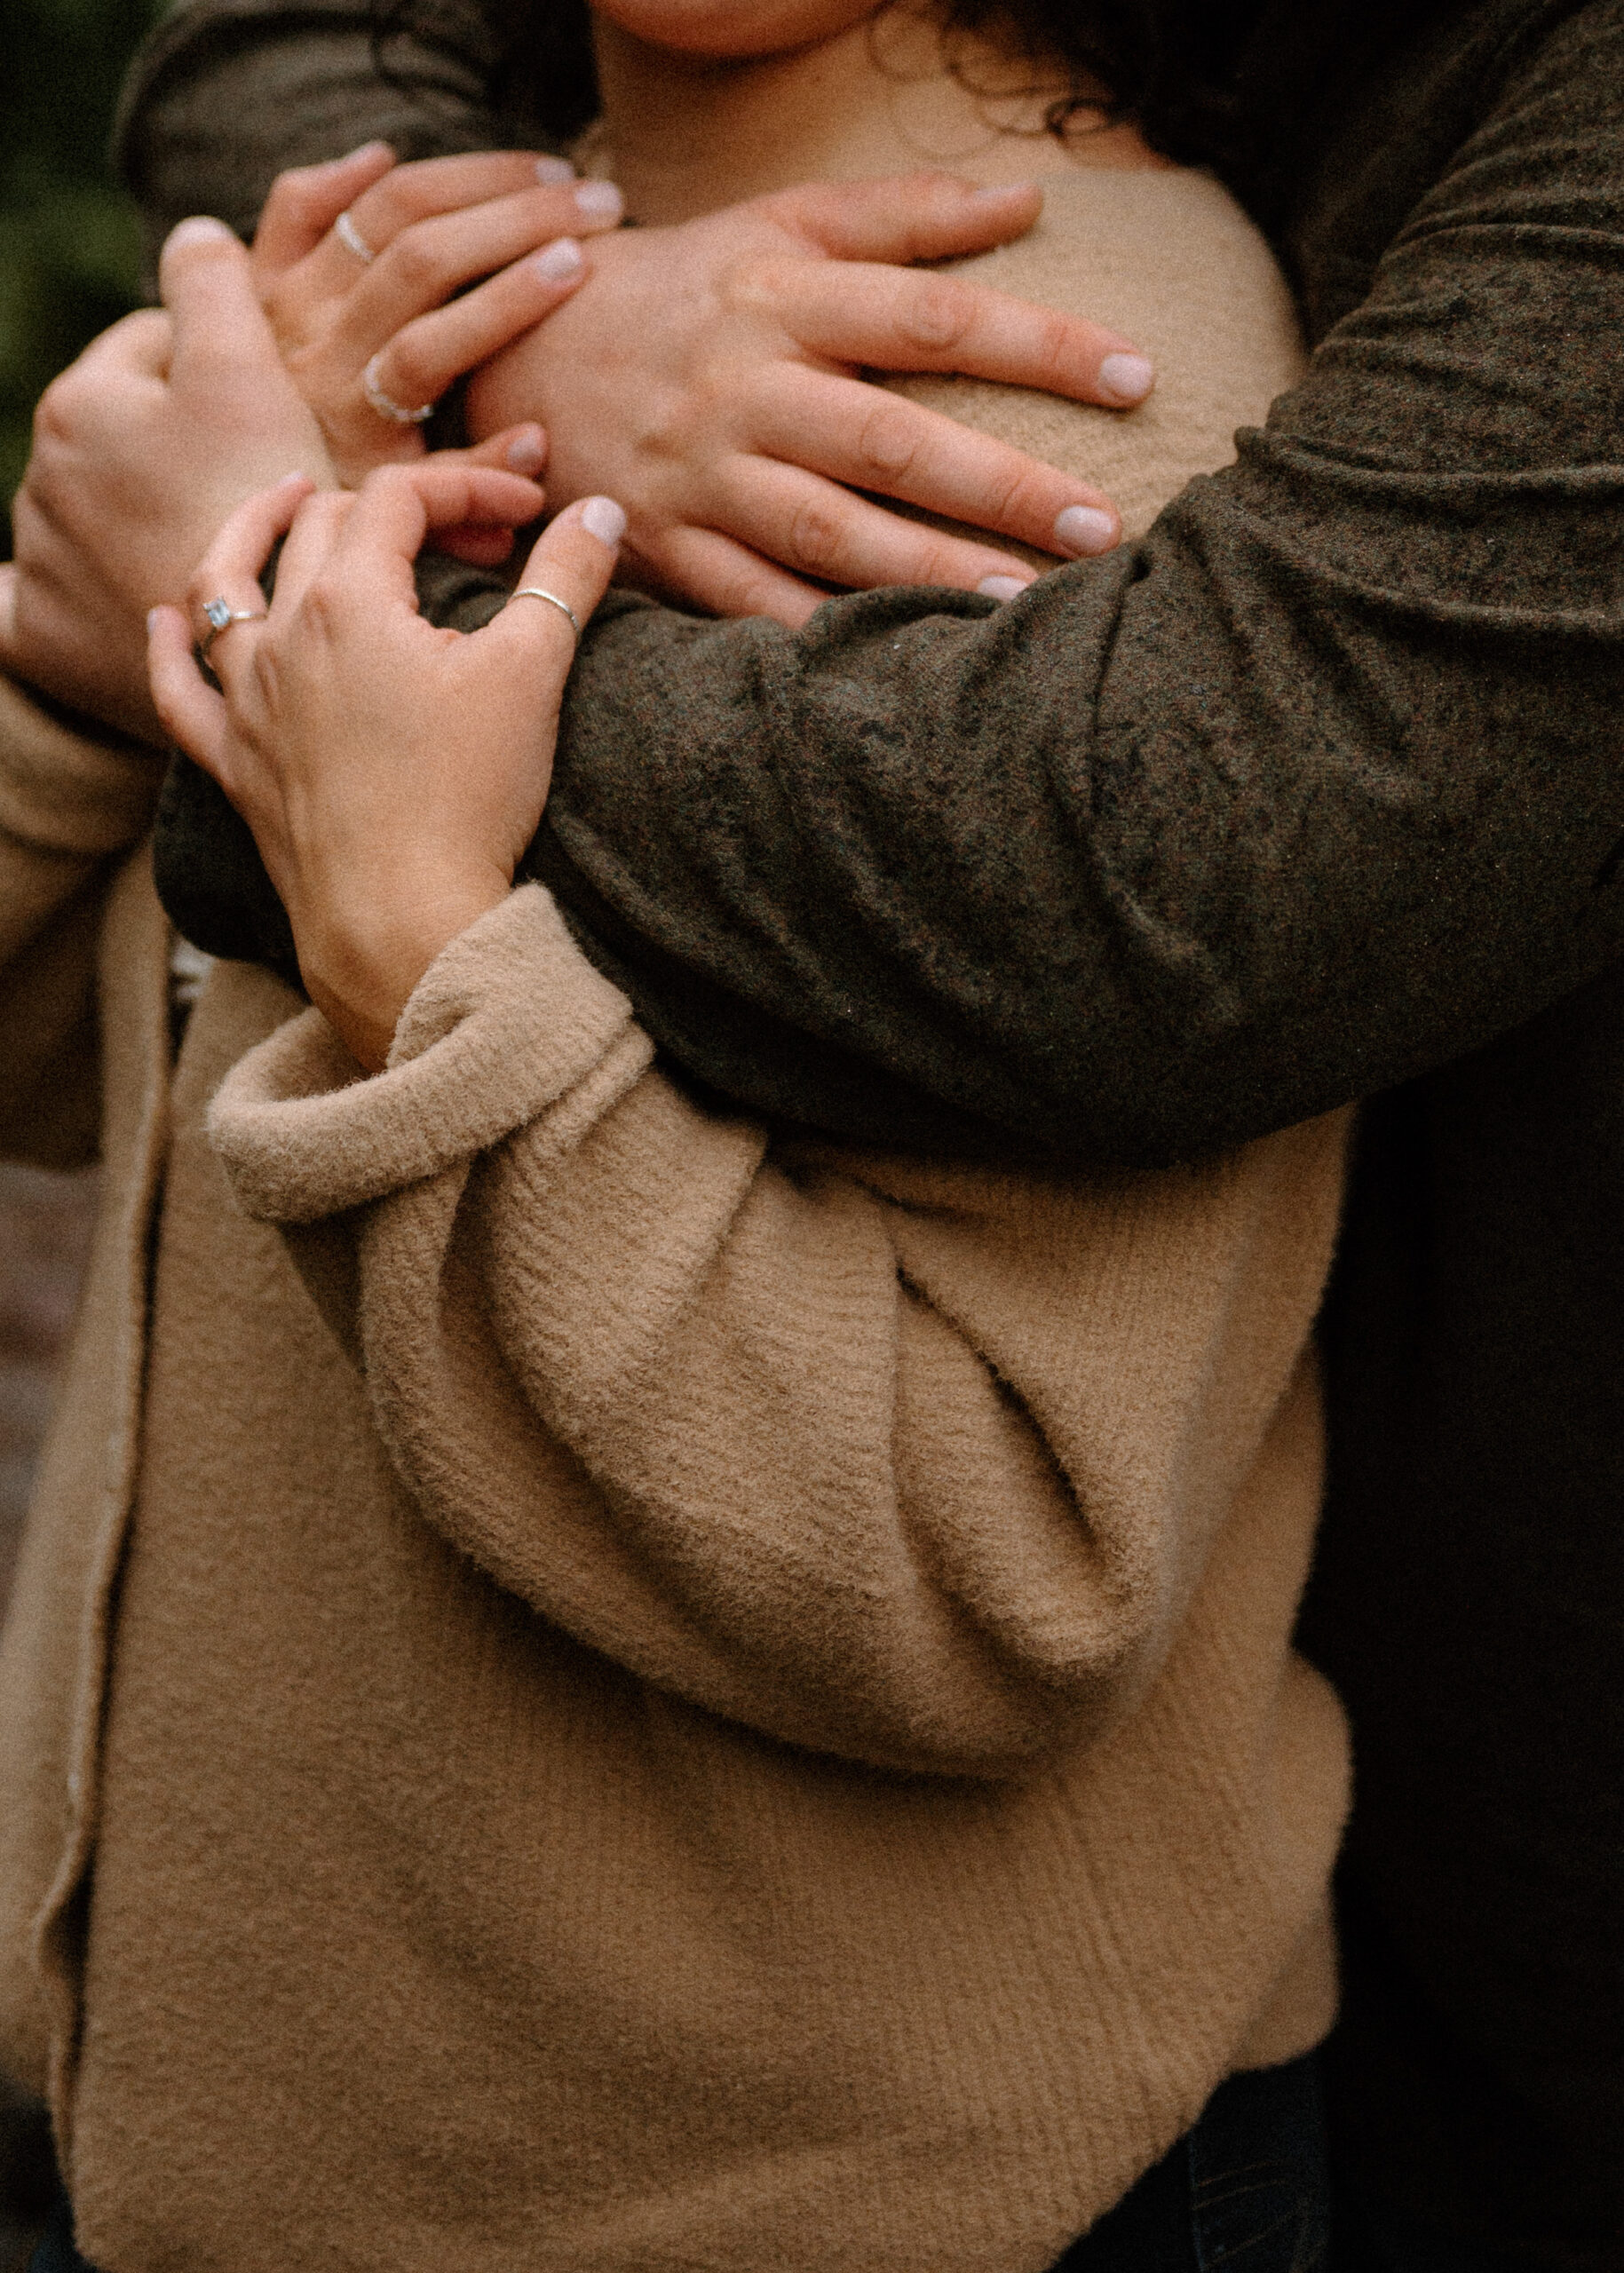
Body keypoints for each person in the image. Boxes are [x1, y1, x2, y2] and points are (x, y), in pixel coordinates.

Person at [83, 1, 1624, 2263]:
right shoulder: (385, 307)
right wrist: (77, 655)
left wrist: (353, 793)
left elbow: (994, 1560)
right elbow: (111, 1096)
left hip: (857, 2183)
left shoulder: (1082, 379)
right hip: (256, 2140)